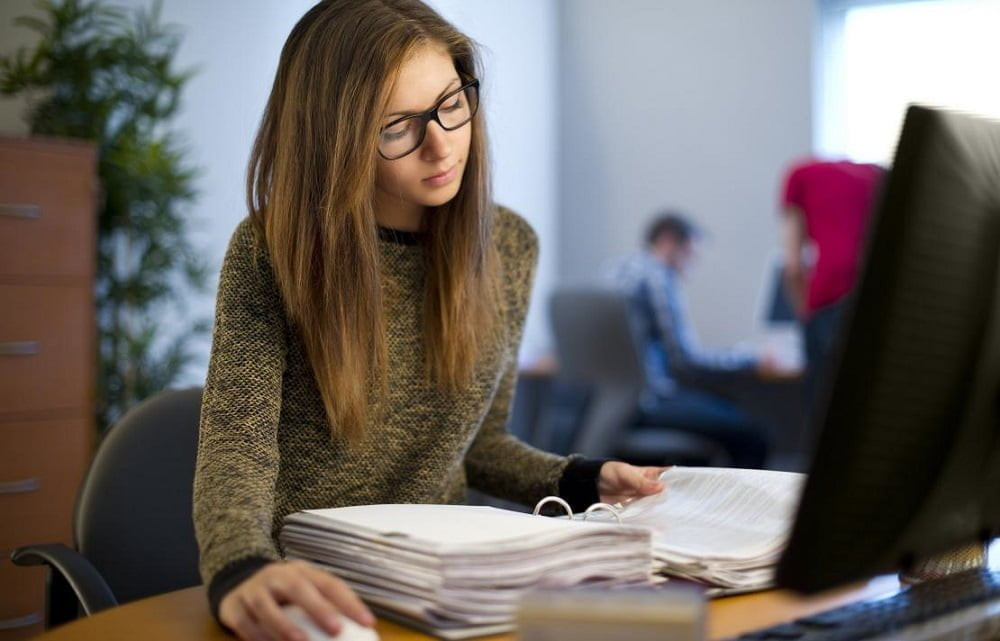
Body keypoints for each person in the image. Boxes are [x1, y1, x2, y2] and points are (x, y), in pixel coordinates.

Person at [192, 3, 666, 641]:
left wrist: (581, 478)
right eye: (397, 126)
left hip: (441, 590)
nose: (442, 144)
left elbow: (480, 447)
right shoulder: (271, 250)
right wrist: (240, 568)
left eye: (451, 103)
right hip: (314, 596)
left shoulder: (508, 247)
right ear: (335, 136)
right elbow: (235, 456)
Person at [610, 212, 774, 469]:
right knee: (753, 437)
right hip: (648, 402)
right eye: (690, 254)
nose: (691, 264)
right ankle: (734, 509)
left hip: (608, 406)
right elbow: (686, 360)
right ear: (668, 242)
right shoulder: (657, 277)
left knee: (721, 408)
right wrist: (750, 358)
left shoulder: (616, 271)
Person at [779, 159, 885, 403]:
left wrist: (805, 316)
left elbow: (793, 266)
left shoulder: (800, 174)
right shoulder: (878, 175)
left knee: (827, 407)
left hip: (830, 299)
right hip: (878, 297)